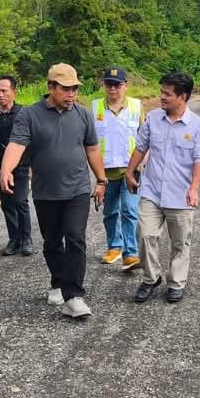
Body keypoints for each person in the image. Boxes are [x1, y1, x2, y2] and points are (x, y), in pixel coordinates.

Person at [0, 64, 107, 319]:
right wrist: (6, 170)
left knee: (75, 237)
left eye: (75, 89)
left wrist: (101, 180)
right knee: (51, 242)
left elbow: (92, 149)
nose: (72, 94)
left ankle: (74, 295)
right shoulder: (29, 115)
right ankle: (58, 281)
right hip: (46, 191)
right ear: (50, 87)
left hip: (78, 189)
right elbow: (16, 145)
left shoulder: (82, 114)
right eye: (66, 89)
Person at [126, 72, 200, 304]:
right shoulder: (153, 118)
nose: (161, 97)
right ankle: (151, 278)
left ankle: (176, 282)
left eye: (167, 94)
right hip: (151, 190)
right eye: (161, 92)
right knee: (144, 234)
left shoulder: (197, 125)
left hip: (180, 195)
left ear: (182, 97)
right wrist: (129, 171)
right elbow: (141, 147)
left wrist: (194, 188)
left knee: (180, 242)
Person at [91, 67, 145, 272]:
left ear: (125, 86)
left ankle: (130, 253)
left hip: (130, 171)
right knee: (110, 211)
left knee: (130, 210)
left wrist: (141, 164)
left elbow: (144, 137)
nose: (113, 88)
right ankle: (114, 246)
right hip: (105, 173)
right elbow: (90, 143)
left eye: (117, 84)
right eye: (109, 84)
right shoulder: (95, 108)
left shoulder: (136, 106)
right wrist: (98, 177)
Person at [0, 75, 32, 257]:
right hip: (1, 166)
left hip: (22, 165)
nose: (0, 94)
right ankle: (14, 238)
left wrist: (33, 164)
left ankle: (26, 239)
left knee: (20, 201)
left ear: (13, 92)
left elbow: (31, 140)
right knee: (7, 203)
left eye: (4, 91)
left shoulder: (23, 113)